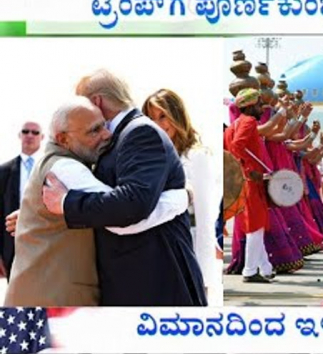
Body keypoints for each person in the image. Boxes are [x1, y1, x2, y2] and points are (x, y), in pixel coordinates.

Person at [42, 69, 208, 305]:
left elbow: (131, 205)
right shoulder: (121, 135)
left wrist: (67, 203)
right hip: (138, 279)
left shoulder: (140, 132)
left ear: (96, 102)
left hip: (155, 281)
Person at [5, 99, 189, 306]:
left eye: (104, 125)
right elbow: (124, 215)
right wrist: (179, 199)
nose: (107, 135)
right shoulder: (67, 169)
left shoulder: (63, 161)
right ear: (63, 139)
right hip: (55, 301)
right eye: (94, 131)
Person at [142, 88, 224, 306]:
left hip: (190, 246)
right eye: (151, 118)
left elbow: (205, 218)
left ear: (176, 115)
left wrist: (203, 277)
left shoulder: (196, 156)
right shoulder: (150, 156)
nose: (158, 124)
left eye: (163, 116)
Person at [225, 88, 274, 283]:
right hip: (251, 182)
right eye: (260, 104)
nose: (262, 108)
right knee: (255, 227)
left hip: (243, 182)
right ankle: (249, 270)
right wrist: (251, 169)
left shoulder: (232, 126)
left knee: (256, 226)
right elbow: (238, 146)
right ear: (251, 105)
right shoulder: (249, 121)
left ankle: (266, 268)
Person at [0, 121, 43, 280]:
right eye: (26, 132)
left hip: (44, 243)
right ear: (20, 135)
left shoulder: (51, 168)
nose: (30, 136)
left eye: (35, 132)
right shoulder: (3, 171)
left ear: (42, 137)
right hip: (12, 247)